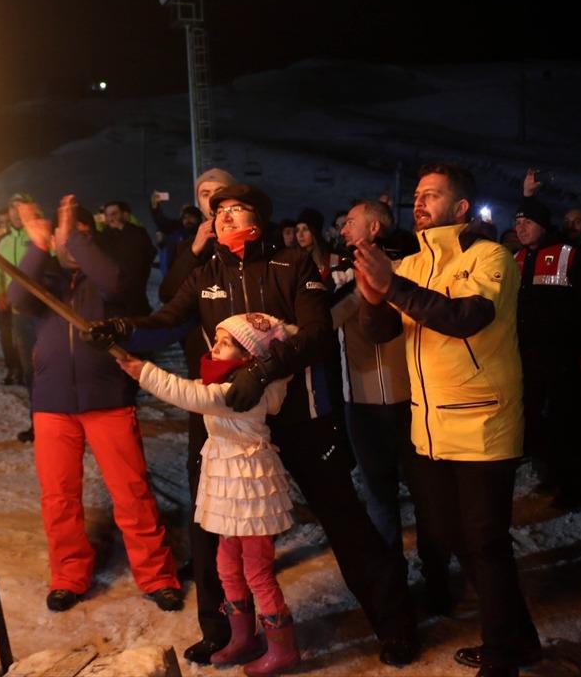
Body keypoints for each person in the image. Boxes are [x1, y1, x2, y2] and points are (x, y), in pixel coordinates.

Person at [91, 183, 419, 668]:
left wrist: (262, 370)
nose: (224, 217)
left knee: (344, 520)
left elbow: (316, 335)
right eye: (218, 211)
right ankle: (224, 630)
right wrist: (124, 328)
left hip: (298, 417)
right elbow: (167, 320)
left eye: (236, 209)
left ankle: (394, 627)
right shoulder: (207, 274)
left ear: (258, 220)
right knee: (213, 529)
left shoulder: (292, 264)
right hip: (232, 424)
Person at [355, 162, 541, 677]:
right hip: (430, 429)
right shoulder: (412, 266)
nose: (419, 202)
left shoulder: (492, 256)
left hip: (485, 425)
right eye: (416, 194)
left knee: (485, 543)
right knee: (449, 535)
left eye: (432, 195)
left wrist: (391, 287)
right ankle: (519, 638)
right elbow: (380, 333)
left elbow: (466, 319)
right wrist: (374, 297)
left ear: (460, 208)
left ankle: (504, 656)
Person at [8, 195, 182, 614]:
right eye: (61, 238)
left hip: (106, 400)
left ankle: (157, 576)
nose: (67, 245)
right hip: (52, 405)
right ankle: (69, 574)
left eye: (77, 238)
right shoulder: (45, 282)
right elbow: (16, 296)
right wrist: (37, 246)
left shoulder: (107, 278)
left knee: (131, 492)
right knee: (59, 496)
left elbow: (119, 284)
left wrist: (77, 241)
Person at [118, 313, 300, 676]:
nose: (214, 346)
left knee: (257, 571)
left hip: (250, 486)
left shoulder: (245, 390)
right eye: (216, 338)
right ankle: (242, 637)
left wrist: (145, 372)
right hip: (227, 485)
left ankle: (284, 649)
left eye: (226, 342)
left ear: (249, 355)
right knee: (226, 565)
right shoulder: (228, 377)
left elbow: (190, 395)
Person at [153, 166, 239, 661]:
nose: (212, 202)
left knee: (256, 514)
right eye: (205, 195)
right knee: (206, 508)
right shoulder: (194, 252)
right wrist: (196, 248)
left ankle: (262, 618)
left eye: (221, 194)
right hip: (203, 401)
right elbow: (168, 298)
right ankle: (216, 624)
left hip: (257, 401)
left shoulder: (256, 250)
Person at [332, 200, 416, 553]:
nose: (343, 229)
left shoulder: (409, 271)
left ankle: (437, 575)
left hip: (411, 402)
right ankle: (392, 580)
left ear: (374, 229)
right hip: (362, 405)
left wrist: (381, 284)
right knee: (379, 496)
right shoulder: (339, 278)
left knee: (426, 494)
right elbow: (326, 321)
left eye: (351, 222)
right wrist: (357, 287)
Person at [511, 192, 581, 507]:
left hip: (563, 357)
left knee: (566, 422)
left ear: (543, 225)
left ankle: (574, 486)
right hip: (527, 357)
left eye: (528, 222)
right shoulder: (516, 259)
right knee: (534, 420)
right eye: (517, 221)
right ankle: (548, 475)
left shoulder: (569, 254)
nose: (520, 228)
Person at [0, 192, 35, 441]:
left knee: (51, 369)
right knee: (30, 371)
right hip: (20, 316)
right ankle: (38, 422)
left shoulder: (39, 237)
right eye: (12, 209)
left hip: (43, 315)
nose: (16, 214)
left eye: (21, 208)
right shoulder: (5, 243)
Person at [97, 199, 157, 316]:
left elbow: (149, 254)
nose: (110, 219)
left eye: (114, 214)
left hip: (136, 298)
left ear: (125, 215)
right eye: (107, 215)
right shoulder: (103, 237)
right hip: (112, 303)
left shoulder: (137, 233)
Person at [0, 208, 22, 385]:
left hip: (23, 300)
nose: (5, 225)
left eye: (8, 221)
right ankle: (12, 369)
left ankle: (25, 371)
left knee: (23, 337)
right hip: (4, 298)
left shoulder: (25, 240)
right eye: (2, 222)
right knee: (6, 336)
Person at [294, 207, 338, 280]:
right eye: (297, 230)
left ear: (315, 232)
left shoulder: (333, 258)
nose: (300, 235)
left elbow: (336, 282)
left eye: (305, 229)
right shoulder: (294, 259)